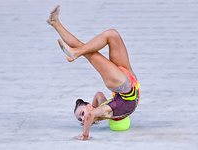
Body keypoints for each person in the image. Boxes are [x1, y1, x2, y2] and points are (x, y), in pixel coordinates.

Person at [47, 5, 140, 140]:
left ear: (90, 107)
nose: (83, 118)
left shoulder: (98, 110)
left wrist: (85, 135)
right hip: (126, 83)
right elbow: (96, 102)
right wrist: (93, 114)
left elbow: (98, 96)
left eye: (82, 114)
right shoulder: (102, 111)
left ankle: (61, 31)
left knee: (112, 35)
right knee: (96, 46)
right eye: (81, 118)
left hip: (123, 83)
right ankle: (63, 35)